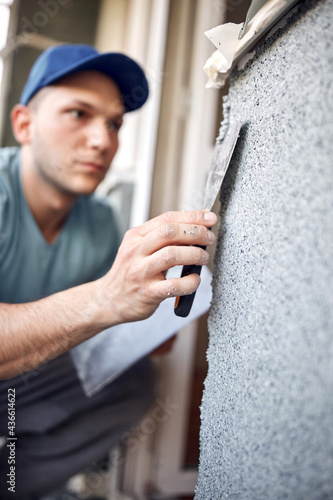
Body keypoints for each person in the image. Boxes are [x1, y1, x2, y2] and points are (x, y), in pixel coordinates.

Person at [0, 44, 217, 499]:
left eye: (115, 123)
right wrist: (106, 299)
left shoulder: (100, 221)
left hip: (17, 393)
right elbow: (98, 303)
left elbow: (99, 330)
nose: (103, 141)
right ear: (24, 124)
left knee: (133, 381)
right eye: (79, 113)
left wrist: (148, 319)